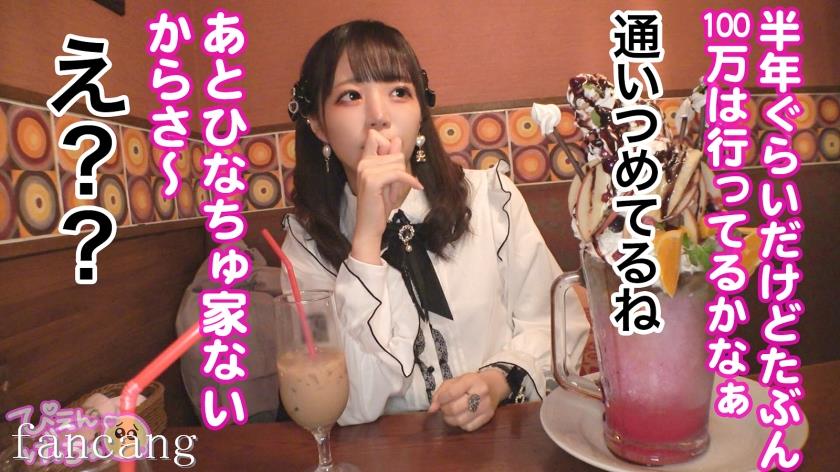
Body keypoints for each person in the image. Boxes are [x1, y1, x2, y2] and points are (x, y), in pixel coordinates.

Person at [279, 19, 589, 431]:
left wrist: (496, 382)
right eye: (351, 95)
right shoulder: (305, 245)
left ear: (420, 112)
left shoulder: (490, 199)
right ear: (318, 124)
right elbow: (350, 406)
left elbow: (560, 324)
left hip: (502, 442)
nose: (379, 116)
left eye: (399, 92)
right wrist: (367, 239)